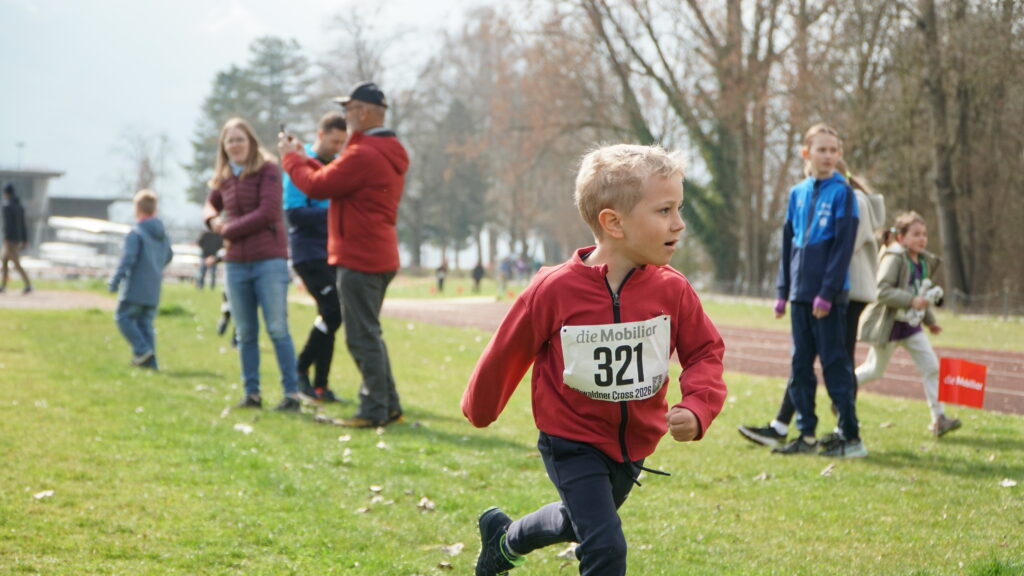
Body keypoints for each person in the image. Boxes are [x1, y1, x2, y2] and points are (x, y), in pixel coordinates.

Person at [462, 144, 727, 576]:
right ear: (613, 222)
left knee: (579, 522)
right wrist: (480, 409)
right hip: (571, 441)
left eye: (679, 209)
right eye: (664, 211)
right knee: (605, 548)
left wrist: (698, 405)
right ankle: (512, 540)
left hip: (634, 444)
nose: (679, 224)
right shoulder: (553, 289)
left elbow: (704, 351)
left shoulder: (673, 289)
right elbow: (507, 351)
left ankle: (504, 540)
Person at [279, 81, 409, 428]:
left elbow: (318, 185)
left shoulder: (364, 153)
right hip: (378, 253)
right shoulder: (384, 150)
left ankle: (373, 410)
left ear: (364, 113)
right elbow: (329, 175)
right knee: (370, 334)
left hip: (359, 257)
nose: (345, 116)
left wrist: (291, 159)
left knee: (361, 337)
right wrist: (303, 157)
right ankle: (388, 406)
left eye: (349, 110)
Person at [737, 158, 886, 449]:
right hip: (817, 289)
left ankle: (846, 431)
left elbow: (842, 245)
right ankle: (792, 427)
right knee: (804, 361)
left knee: (835, 362)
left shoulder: (849, 197)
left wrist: (824, 285)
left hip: (843, 292)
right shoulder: (805, 193)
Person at [772, 123, 864, 458]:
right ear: (807, 153)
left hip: (828, 297)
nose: (828, 156)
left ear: (839, 155)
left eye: (833, 150)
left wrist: (826, 292)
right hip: (799, 294)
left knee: (835, 364)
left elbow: (843, 248)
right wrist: (783, 291)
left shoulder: (844, 194)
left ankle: (851, 436)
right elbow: (788, 246)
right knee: (799, 366)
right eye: (821, 149)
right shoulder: (797, 193)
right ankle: (806, 434)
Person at [204, 117, 301, 412]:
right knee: (245, 331)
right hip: (236, 264)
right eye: (230, 140)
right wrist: (211, 220)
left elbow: (268, 212)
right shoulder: (224, 177)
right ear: (224, 146)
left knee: (277, 328)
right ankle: (252, 393)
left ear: (251, 142)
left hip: (268, 260)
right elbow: (210, 204)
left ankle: (292, 395)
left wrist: (227, 230)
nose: (235, 145)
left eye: (240, 139)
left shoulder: (268, 170)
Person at [855, 211, 962, 437]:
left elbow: (922, 294)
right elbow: (882, 291)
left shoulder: (924, 262)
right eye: (916, 234)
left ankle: (939, 419)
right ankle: (844, 389)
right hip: (889, 327)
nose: (922, 239)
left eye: (924, 234)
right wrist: (910, 300)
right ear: (901, 237)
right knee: (875, 370)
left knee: (932, 367)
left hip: (912, 328)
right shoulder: (894, 258)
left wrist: (930, 321)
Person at [283, 111, 347, 403]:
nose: (337, 148)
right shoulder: (300, 164)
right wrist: (332, 214)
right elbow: (294, 214)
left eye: (342, 143)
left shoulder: (336, 166)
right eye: (334, 141)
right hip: (307, 253)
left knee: (331, 315)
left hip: (331, 253)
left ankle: (320, 385)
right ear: (320, 135)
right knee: (333, 311)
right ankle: (299, 368)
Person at [108, 189, 173, 370]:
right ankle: (151, 364)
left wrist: (115, 280)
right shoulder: (163, 235)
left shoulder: (136, 233)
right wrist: (155, 267)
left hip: (136, 286)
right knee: (146, 324)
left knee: (123, 318)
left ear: (137, 209)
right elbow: (169, 256)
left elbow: (128, 259)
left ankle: (142, 349)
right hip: (154, 286)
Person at [1, 183, 32, 294]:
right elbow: (23, 225)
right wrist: (24, 239)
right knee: (4, 260)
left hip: (9, 240)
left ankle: (28, 284)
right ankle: (3, 285)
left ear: (6, 193)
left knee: (16, 263)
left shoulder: (7, 206)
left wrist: (6, 238)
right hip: (17, 240)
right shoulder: (19, 206)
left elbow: (7, 225)